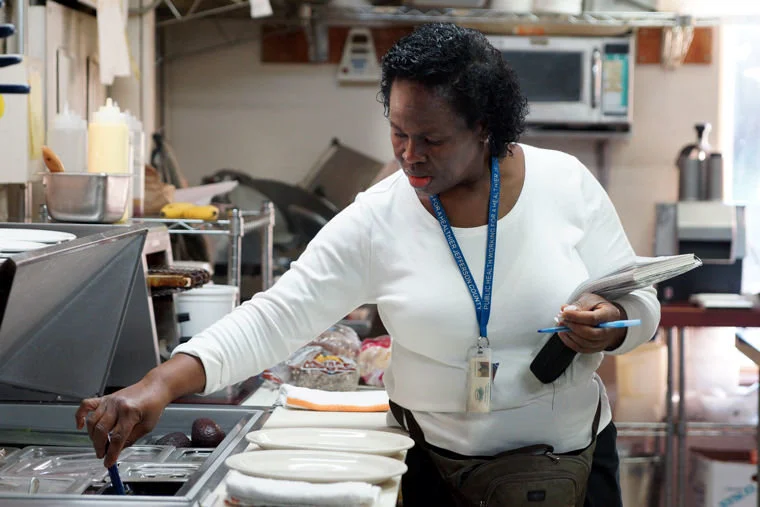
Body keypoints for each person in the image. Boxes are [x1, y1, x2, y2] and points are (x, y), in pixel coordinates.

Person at [76, 23, 660, 507]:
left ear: (484, 127)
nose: (410, 155)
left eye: (431, 139)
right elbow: (278, 315)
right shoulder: (380, 216)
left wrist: (613, 326)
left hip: (571, 469)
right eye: (398, 133)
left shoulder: (564, 184)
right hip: (432, 473)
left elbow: (640, 301)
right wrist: (157, 385)